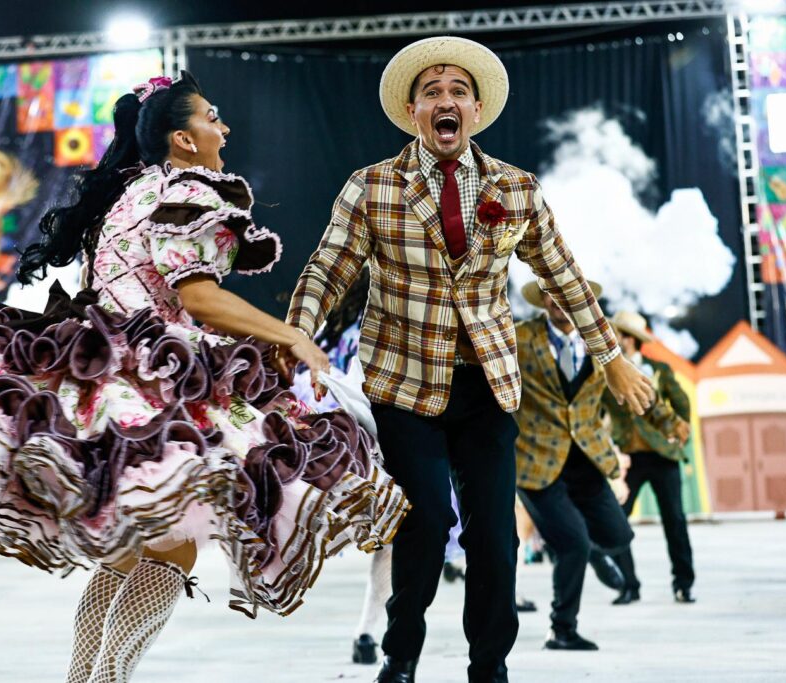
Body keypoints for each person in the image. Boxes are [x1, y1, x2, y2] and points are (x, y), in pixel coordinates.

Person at [0, 71, 408, 683]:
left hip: (105, 371)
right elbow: (198, 299)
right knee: (172, 543)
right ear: (181, 139)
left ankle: (86, 680)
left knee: (125, 553)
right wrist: (292, 335)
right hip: (160, 375)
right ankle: (109, 679)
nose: (223, 127)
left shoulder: (129, 195)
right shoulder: (188, 193)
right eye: (211, 116)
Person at [286, 36, 654, 683]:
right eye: (432, 92)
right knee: (425, 521)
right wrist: (296, 338)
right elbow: (326, 271)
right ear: (414, 112)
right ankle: (401, 651)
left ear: (476, 110)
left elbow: (564, 276)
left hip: (487, 385)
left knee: (495, 539)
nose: (445, 100)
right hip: (404, 384)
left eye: (458, 90)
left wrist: (610, 357)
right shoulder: (372, 187)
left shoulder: (514, 188)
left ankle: (489, 665)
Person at [514, 280, 680, 651]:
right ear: (543, 301)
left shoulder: (602, 342)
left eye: (568, 293)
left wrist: (669, 423)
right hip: (537, 461)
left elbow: (632, 388)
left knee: (618, 537)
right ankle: (562, 629)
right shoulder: (520, 338)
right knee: (572, 542)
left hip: (587, 459)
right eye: (551, 294)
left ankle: (588, 553)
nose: (560, 301)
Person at [604, 311, 694, 605]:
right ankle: (629, 584)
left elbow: (681, 402)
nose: (613, 339)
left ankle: (683, 584)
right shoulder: (607, 372)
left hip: (663, 455)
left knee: (675, 521)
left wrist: (677, 429)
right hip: (629, 456)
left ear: (628, 339)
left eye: (618, 334)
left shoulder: (659, 370)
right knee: (616, 521)